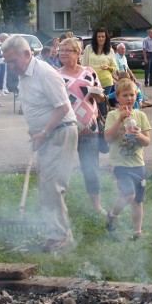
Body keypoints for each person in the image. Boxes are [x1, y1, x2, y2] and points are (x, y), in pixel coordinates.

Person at [2, 34, 78, 252]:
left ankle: (59, 236)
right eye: (7, 61)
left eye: (12, 61)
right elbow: (35, 105)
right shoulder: (23, 75)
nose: (9, 65)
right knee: (47, 185)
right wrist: (35, 129)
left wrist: (44, 131)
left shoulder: (45, 73)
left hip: (60, 133)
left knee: (52, 186)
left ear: (27, 54)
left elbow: (63, 107)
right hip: (45, 135)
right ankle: (60, 235)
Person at [58, 37, 106, 214]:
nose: (63, 53)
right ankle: (60, 205)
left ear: (78, 53)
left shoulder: (89, 72)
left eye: (67, 50)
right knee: (63, 169)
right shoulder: (56, 74)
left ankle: (97, 206)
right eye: (60, 51)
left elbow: (101, 96)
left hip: (90, 129)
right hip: (66, 129)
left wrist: (97, 95)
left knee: (91, 169)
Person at [104, 78, 151, 239]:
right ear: (117, 97)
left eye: (132, 95)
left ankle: (137, 231)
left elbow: (147, 141)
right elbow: (108, 138)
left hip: (138, 164)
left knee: (137, 200)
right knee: (128, 195)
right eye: (125, 95)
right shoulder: (112, 115)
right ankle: (112, 214)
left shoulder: (140, 115)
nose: (129, 98)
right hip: (120, 164)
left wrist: (139, 135)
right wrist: (119, 120)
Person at [82, 28, 118, 110]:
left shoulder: (110, 50)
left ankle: (104, 121)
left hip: (106, 82)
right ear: (95, 37)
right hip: (92, 82)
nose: (101, 39)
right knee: (92, 104)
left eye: (103, 37)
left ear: (106, 38)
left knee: (102, 104)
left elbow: (115, 68)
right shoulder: (88, 48)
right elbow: (84, 65)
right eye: (99, 37)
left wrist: (108, 67)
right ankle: (96, 121)